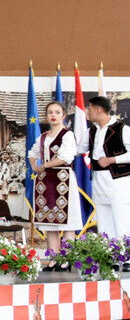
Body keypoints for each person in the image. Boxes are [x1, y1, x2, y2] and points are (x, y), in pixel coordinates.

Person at [29, 100, 81, 265]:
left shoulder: (67, 135)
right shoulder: (44, 136)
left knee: (67, 221)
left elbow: (65, 158)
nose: (53, 115)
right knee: (49, 221)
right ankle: (53, 257)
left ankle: (66, 258)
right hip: (45, 182)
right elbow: (32, 153)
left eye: (57, 112)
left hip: (63, 179)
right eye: (50, 112)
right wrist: (34, 167)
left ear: (63, 115)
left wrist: (44, 165)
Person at [80, 96, 130, 238]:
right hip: (99, 180)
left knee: (121, 219)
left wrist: (112, 160)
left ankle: (125, 251)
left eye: (90, 109)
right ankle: (107, 249)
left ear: (99, 110)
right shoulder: (91, 131)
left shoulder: (123, 130)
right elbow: (78, 149)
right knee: (103, 220)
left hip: (118, 181)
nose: (88, 112)